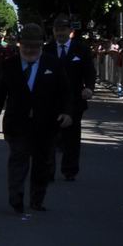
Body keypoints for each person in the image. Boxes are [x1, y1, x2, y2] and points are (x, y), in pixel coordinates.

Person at [0, 23, 73, 214]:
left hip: (46, 124)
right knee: (18, 159)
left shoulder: (53, 64)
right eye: (26, 46)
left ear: (41, 45)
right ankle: (16, 197)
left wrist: (67, 112)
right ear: (20, 44)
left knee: (42, 163)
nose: (29, 50)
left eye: (34, 46)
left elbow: (65, 92)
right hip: (17, 123)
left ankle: (37, 199)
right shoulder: (9, 65)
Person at [48, 16, 96, 180]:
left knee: (72, 137)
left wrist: (89, 87)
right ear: (53, 31)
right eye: (57, 30)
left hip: (75, 99)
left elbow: (89, 71)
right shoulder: (47, 49)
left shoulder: (81, 49)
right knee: (49, 136)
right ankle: (48, 170)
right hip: (51, 100)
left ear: (70, 31)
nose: (60, 33)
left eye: (63, 29)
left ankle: (69, 170)